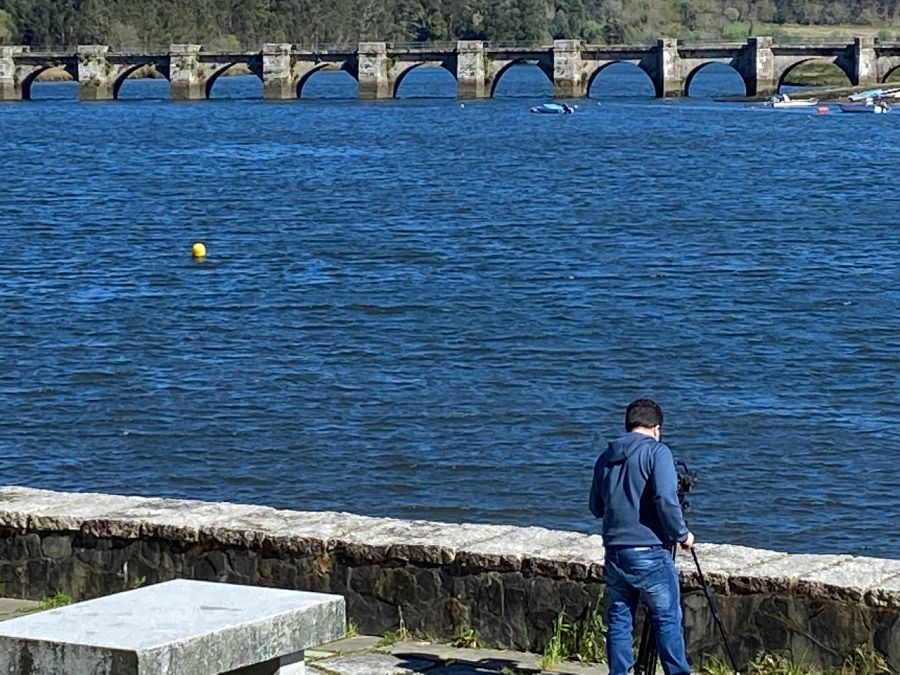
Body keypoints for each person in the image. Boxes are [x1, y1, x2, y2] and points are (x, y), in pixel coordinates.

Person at [588, 398, 694, 675]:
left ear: (628, 425)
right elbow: (665, 499)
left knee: (619, 619)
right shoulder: (658, 452)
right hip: (650, 550)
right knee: (667, 618)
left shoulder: (606, 457)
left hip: (615, 550)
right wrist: (682, 534)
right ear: (656, 428)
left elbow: (596, 507)